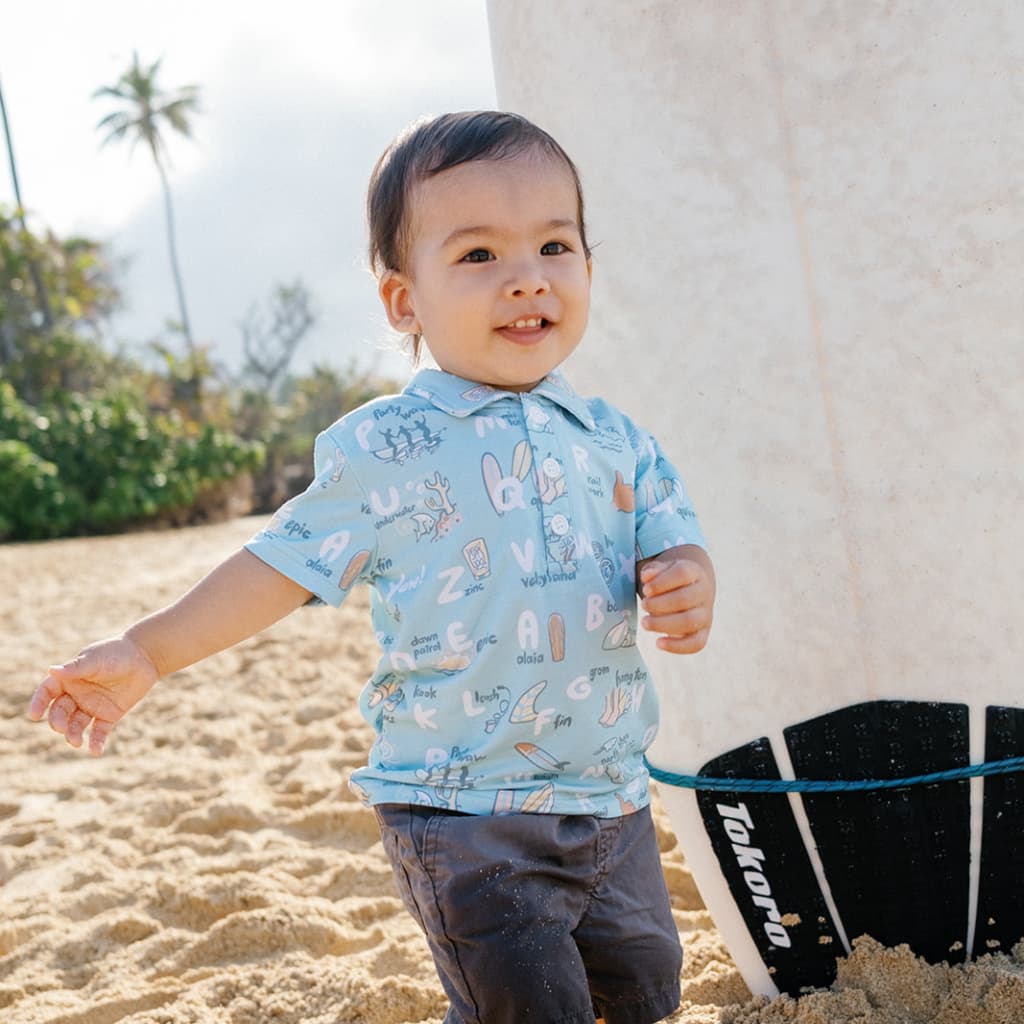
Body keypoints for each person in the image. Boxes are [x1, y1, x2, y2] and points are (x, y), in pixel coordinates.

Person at [29, 111, 715, 1024]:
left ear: (587, 266)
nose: (526, 278)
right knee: (524, 1004)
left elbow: (675, 541)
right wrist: (150, 652)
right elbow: (279, 566)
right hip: (464, 814)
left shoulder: (618, 440)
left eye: (555, 245)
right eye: (478, 256)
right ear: (405, 301)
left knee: (643, 992)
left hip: (612, 801)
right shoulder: (388, 447)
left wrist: (687, 579)